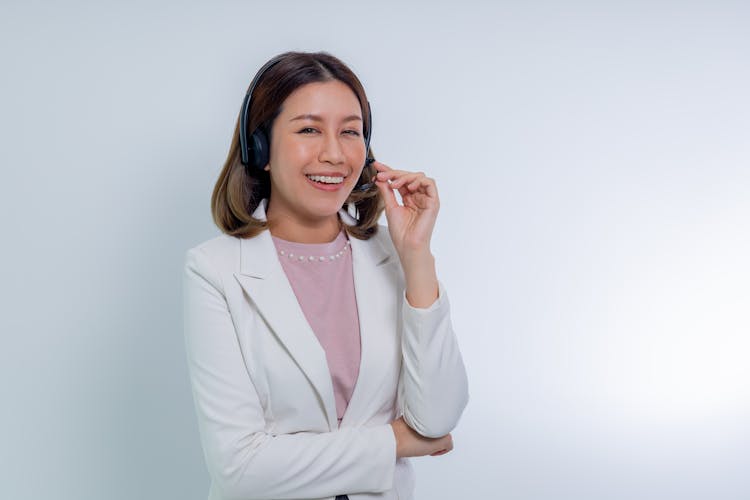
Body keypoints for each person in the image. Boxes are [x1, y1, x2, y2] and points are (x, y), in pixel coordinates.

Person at [183, 51, 468, 500]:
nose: (334, 154)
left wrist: (416, 257)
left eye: (350, 132)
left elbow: (437, 418)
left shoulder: (396, 260)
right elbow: (240, 468)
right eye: (309, 129)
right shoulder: (214, 270)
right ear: (261, 149)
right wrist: (396, 442)